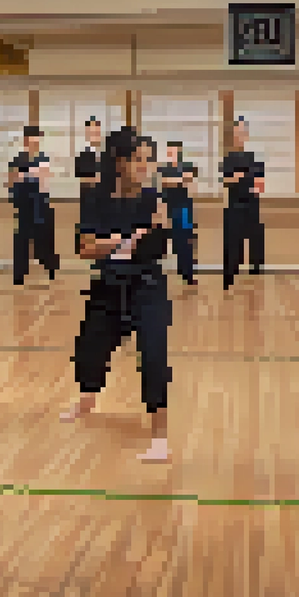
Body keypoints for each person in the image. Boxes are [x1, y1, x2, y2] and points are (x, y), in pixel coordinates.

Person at [61, 127, 173, 463]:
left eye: (148, 160)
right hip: (108, 284)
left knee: (153, 355)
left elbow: (157, 248)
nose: (145, 166)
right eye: (138, 159)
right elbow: (84, 248)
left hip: (147, 285)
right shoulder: (95, 198)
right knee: (89, 351)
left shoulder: (154, 199)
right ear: (120, 162)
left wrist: (157, 231)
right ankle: (86, 400)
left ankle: (160, 435)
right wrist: (128, 239)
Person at [9, 124, 58, 285]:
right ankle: (19, 273)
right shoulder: (17, 159)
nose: (34, 144)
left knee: (45, 239)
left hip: (41, 204)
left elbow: (44, 181)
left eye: (37, 141)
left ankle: (50, 268)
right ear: (25, 141)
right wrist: (25, 176)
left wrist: (25, 175)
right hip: (24, 205)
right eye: (31, 140)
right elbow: (12, 180)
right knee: (22, 239)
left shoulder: (43, 158)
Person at [220, 117, 266, 286]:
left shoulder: (255, 159)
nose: (239, 136)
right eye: (236, 133)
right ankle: (229, 276)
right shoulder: (228, 159)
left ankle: (256, 274)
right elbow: (225, 180)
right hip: (233, 207)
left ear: (246, 135)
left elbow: (260, 184)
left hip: (252, 206)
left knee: (255, 241)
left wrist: (246, 181)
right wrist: (237, 178)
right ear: (233, 136)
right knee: (232, 243)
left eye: (242, 132)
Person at [158, 141, 197, 286]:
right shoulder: (163, 169)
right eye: (169, 150)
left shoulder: (186, 166)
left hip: (184, 209)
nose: (171, 153)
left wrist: (178, 181)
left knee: (186, 241)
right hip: (167, 208)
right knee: (163, 242)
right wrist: (180, 180)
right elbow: (164, 182)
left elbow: (189, 182)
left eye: (174, 150)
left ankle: (187, 274)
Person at [74, 117, 103, 252]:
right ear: (87, 133)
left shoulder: (107, 155)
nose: (95, 134)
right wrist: (96, 178)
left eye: (97, 131)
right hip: (89, 198)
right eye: (92, 131)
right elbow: (81, 176)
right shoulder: (82, 155)